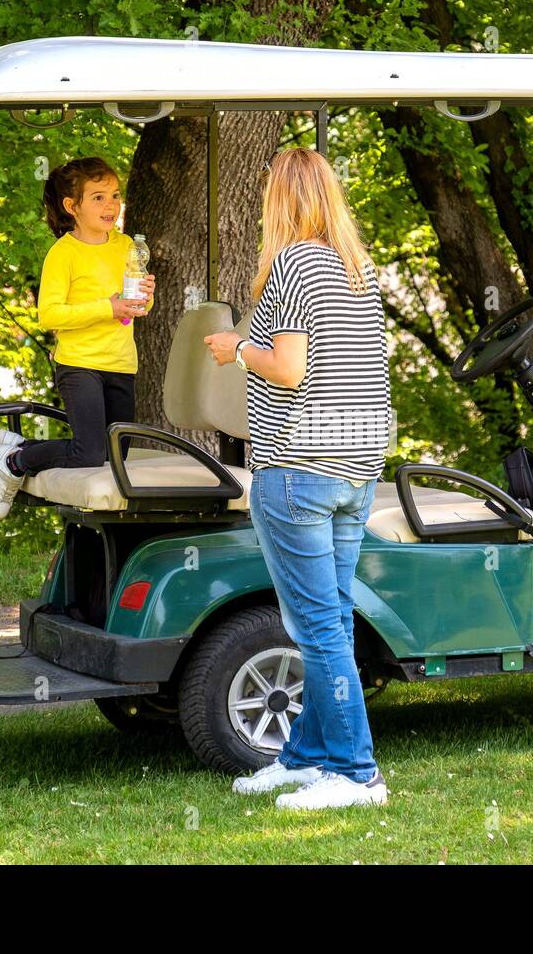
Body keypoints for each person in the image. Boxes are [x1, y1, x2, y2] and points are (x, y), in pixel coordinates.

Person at [204, 148, 392, 810]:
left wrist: (234, 349)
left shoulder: (290, 264)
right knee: (332, 619)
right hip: (356, 469)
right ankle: (308, 756)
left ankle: (356, 773)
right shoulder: (355, 269)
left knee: (316, 627)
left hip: (298, 466)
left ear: (279, 200)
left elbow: (287, 369)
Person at [0, 157, 155, 519]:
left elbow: (137, 306)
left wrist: (145, 296)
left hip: (121, 364)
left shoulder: (125, 246)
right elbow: (50, 315)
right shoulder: (63, 254)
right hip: (79, 366)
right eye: (98, 197)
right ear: (71, 207)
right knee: (89, 453)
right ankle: (17, 459)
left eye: (114, 195)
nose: (111, 205)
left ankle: (23, 451)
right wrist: (107, 307)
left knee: (115, 456)